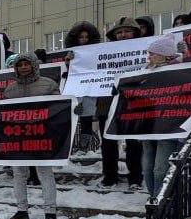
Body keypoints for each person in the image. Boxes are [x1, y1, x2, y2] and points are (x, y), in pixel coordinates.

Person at [4, 54, 60, 219]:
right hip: (18, 139)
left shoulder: (48, 84)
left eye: (26, 64)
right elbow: (2, 113)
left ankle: (50, 213)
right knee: (19, 174)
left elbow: (60, 108)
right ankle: (22, 210)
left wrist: (74, 109)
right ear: (16, 68)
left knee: (45, 173)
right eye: (20, 65)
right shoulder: (10, 90)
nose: (23, 67)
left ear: (34, 65)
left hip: (41, 137)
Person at [99, 17, 143, 189]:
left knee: (133, 141)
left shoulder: (144, 50)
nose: (123, 35)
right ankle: (109, 176)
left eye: (127, 31)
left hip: (134, 101)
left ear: (136, 33)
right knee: (107, 141)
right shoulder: (102, 51)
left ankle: (135, 177)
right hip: (106, 101)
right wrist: (73, 60)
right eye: (119, 32)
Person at [141, 36, 184, 196]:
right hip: (147, 125)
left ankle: (159, 200)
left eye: (152, 54)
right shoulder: (145, 71)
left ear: (164, 55)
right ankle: (153, 197)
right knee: (147, 167)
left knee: (160, 168)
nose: (149, 57)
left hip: (168, 126)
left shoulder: (181, 70)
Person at [65, 21, 103, 153]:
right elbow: (67, 73)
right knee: (72, 119)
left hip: (90, 89)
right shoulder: (70, 54)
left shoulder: (96, 53)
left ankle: (84, 148)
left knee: (86, 119)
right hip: (75, 90)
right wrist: (68, 62)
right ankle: (70, 148)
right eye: (81, 37)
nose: (84, 40)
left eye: (86, 37)